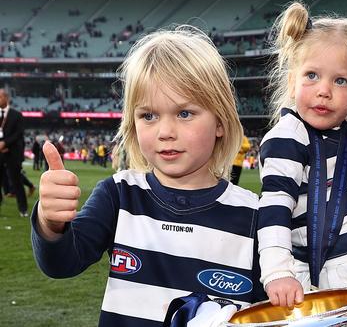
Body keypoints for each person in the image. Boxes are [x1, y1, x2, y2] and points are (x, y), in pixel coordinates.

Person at [32, 26, 263, 326]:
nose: (165, 132)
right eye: (149, 116)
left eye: (184, 113)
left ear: (220, 121)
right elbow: (61, 263)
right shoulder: (119, 195)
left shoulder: (256, 216)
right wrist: (50, 222)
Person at [257, 1, 347, 309]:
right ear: (292, 81)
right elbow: (273, 209)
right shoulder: (289, 136)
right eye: (312, 75)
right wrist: (276, 271)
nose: (324, 90)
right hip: (315, 280)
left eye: (340, 81)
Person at [0, 88, 28, 217]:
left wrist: (5, 143)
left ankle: (23, 209)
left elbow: (18, 134)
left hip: (12, 153)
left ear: (6, 98)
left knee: (16, 181)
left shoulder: (16, 115)